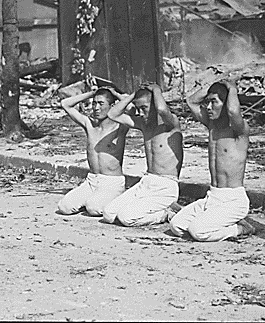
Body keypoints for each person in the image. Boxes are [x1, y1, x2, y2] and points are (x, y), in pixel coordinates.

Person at [169, 79, 255, 241]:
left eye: (214, 102)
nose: (208, 107)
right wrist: (214, 85)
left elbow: (233, 112)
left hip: (233, 200)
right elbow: (191, 101)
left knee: (198, 231)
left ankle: (240, 229)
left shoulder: (239, 130)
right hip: (212, 197)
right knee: (176, 225)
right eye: (207, 102)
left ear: (225, 104)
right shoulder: (212, 126)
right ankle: (216, 223)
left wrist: (231, 88)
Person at [103, 82, 184, 226]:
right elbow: (112, 114)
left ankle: (166, 213)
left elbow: (162, 109)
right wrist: (135, 93)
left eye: (144, 108)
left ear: (154, 106)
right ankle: (153, 209)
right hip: (146, 182)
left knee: (126, 218)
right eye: (138, 108)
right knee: (109, 214)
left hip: (165, 185)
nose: (140, 113)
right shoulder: (144, 125)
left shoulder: (170, 125)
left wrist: (156, 90)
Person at [57, 87, 129, 216]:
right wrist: (92, 93)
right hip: (91, 181)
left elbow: (133, 109)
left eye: (101, 104)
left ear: (112, 106)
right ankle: (95, 199)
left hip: (111, 182)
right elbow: (65, 104)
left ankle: (113, 199)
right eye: (94, 103)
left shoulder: (119, 126)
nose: (96, 108)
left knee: (94, 208)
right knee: (65, 207)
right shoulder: (89, 124)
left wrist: (116, 94)